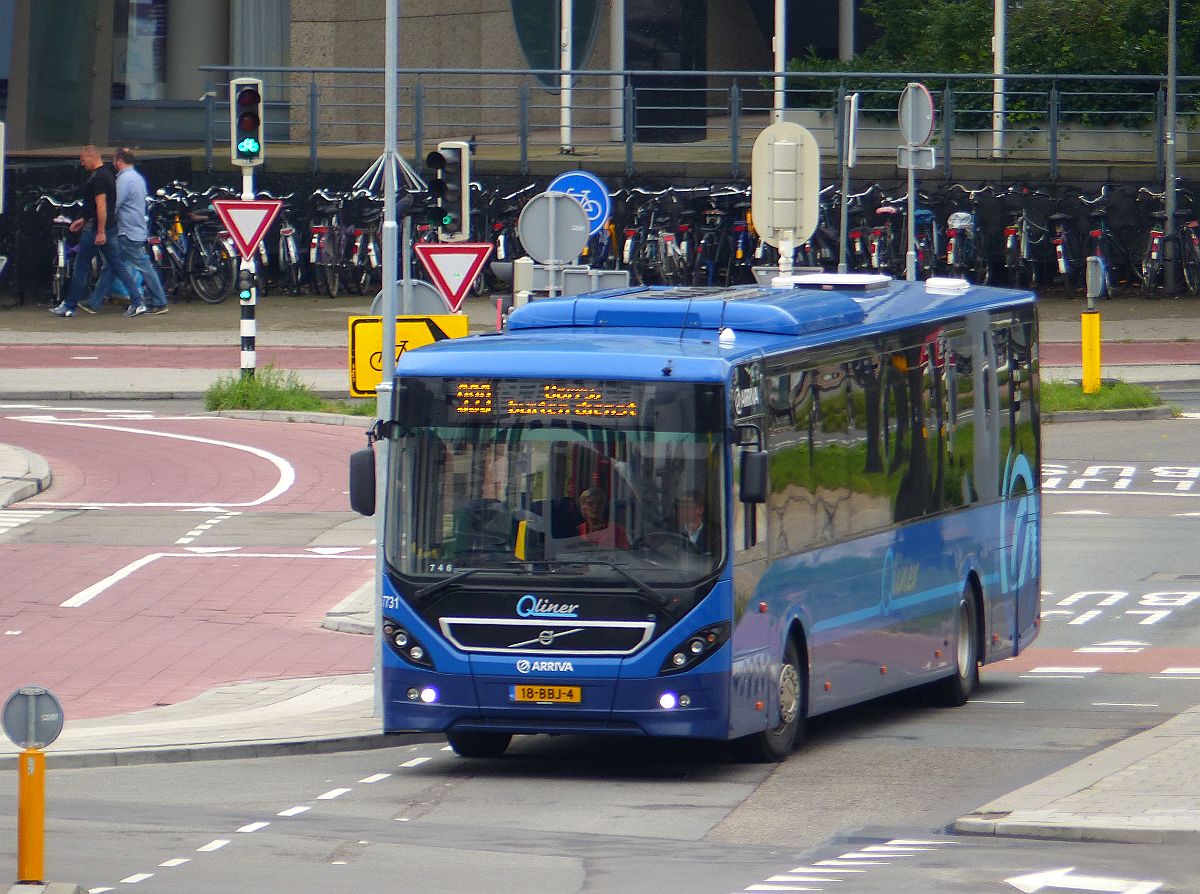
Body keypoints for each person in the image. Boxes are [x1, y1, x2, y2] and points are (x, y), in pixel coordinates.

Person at [50, 145, 150, 318]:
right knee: (118, 266)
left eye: (83, 160)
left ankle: (69, 305)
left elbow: (101, 205)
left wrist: (99, 231)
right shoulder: (109, 175)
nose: (82, 164)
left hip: (97, 229)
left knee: (80, 267)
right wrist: (83, 219)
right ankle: (138, 302)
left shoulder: (97, 178)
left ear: (91, 157)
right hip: (109, 227)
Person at [81, 148, 169, 315]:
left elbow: (114, 204)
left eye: (114, 161)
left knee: (141, 266)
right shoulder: (138, 178)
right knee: (112, 266)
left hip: (126, 230)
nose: (113, 164)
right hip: (136, 228)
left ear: (119, 161)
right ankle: (94, 302)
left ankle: (159, 301)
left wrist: (101, 223)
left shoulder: (123, 180)